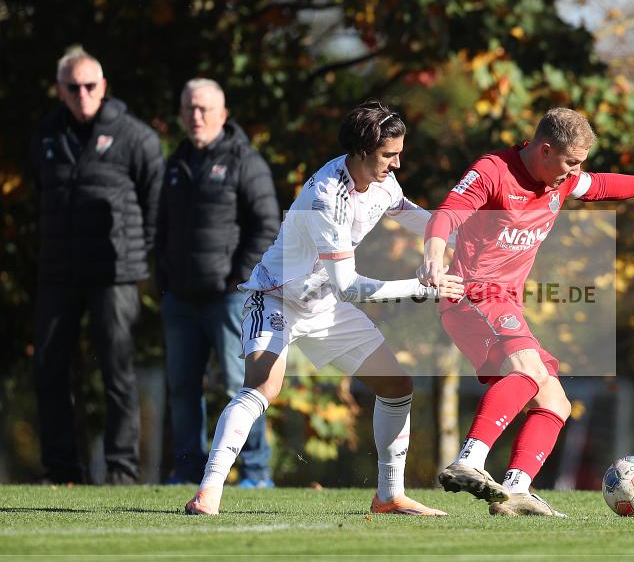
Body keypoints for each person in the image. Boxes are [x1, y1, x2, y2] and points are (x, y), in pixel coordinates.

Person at [420, 107, 634, 516]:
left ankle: (514, 492)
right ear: (544, 149)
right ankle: (468, 460)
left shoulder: (561, 179)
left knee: (556, 403)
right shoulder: (493, 171)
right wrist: (433, 257)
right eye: (570, 162)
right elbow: (448, 212)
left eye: (580, 164)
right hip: (470, 294)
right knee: (528, 370)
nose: (575, 171)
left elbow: (605, 185)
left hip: (504, 302)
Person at [184, 100, 465, 516]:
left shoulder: (383, 184)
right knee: (263, 387)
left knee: (397, 386)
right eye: (390, 155)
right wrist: (424, 288)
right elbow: (350, 287)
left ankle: (389, 497)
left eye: (400, 153)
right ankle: (208, 492)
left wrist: (467, 242)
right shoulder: (324, 197)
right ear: (361, 150)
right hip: (277, 296)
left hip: (325, 305)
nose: (398, 164)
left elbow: (412, 216)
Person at [29, 46, 163, 484]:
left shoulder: (134, 136)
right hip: (57, 273)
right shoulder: (46, 136)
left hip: (115, 275)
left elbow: (156, 203)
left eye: (90, 85)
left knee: (117, 371)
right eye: (73, 87)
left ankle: (122, 470)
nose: (83, 93)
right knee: (50, 370)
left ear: (103, 87)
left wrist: (136, 257)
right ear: (59, 90)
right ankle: (62, 469)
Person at [157, 79, 281, 487]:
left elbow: (265, 227)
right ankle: (188, 470)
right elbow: (160, 229)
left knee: (241, 385)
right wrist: (165, 280)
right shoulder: (174, 165)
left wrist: (238, 282)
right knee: (182, 389)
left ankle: (256, 472)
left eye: (204, 109)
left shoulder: (246, 162)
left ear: (222, 114)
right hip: (180, 299)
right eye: (189, 108)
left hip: (229, 300)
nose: (196, 116)